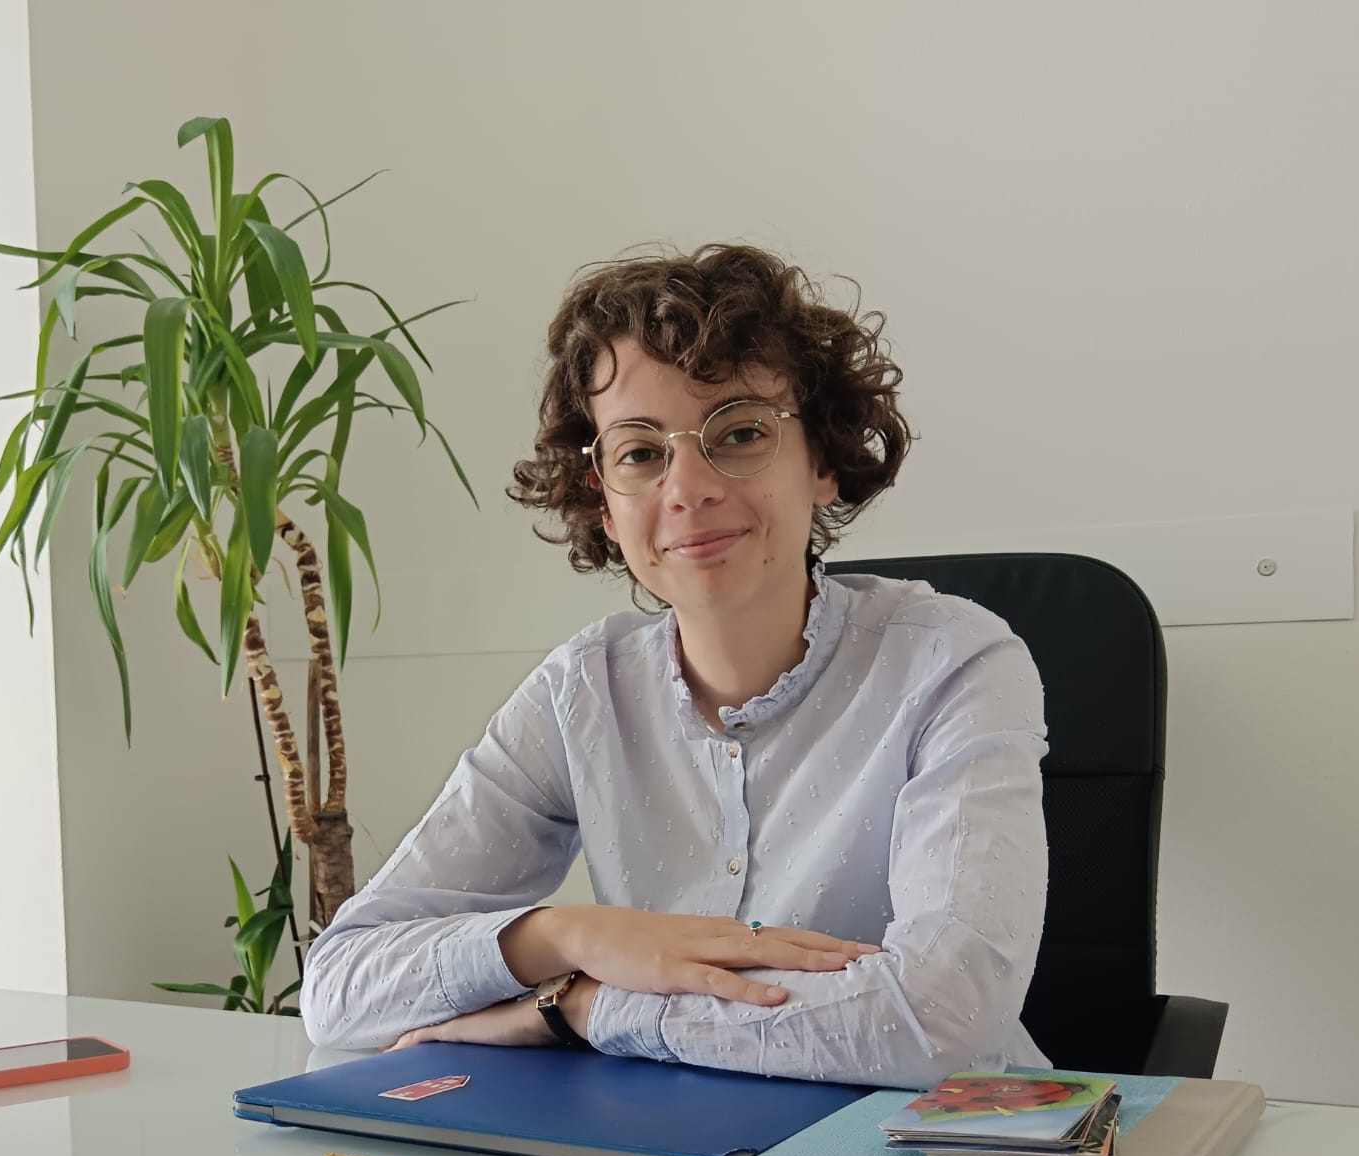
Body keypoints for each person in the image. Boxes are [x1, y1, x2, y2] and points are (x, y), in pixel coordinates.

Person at [300, 244, 1048, 1088]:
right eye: (640, 453)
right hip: (660, 1146)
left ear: (824, 461)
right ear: (603, 500)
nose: (687, 488)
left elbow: (939, 1020)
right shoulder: (581, 691)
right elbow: (338, 989)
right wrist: (569, 936)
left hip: (940, 1144)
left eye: (741, 433)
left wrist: (580, 1010)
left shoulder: (954, 661)